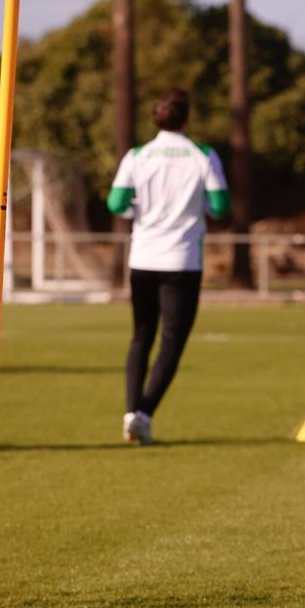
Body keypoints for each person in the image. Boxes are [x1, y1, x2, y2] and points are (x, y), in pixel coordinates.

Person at [107, 89, 230, 445]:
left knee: (141, 336)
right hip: (182, 261)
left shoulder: (138, 155)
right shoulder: (203, 155)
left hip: (143, 258)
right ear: (187, 118)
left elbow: (116, 202)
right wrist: (200, 207)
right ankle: (144, 415)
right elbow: (221, 206)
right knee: (172, 342)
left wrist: (137, 210)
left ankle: (130, 413)